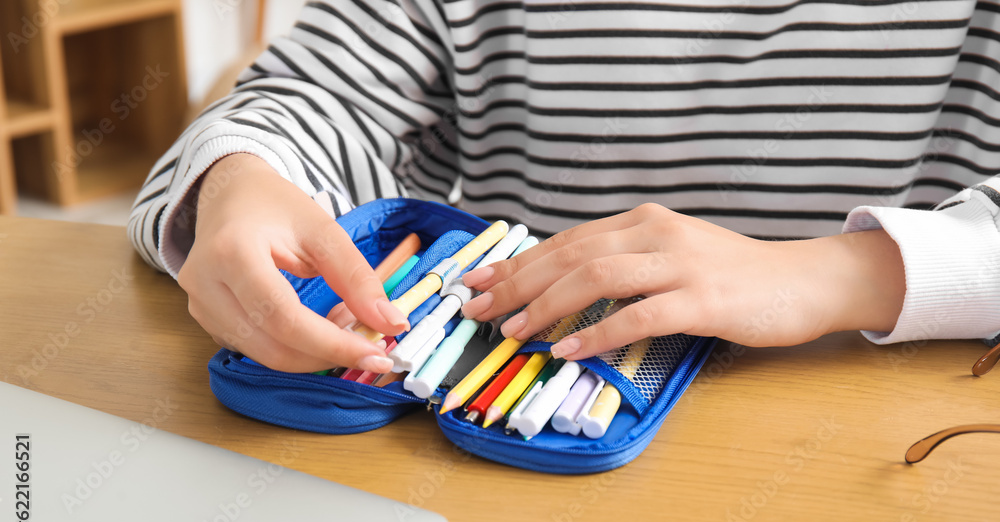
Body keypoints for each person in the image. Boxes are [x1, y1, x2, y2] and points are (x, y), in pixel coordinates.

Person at [128, 1, 1000, 374]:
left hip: (882, 438)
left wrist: (843, 274)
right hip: (510, 417)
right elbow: (312, 98)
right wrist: (234, 181)